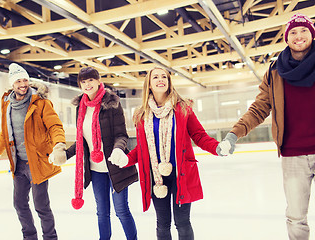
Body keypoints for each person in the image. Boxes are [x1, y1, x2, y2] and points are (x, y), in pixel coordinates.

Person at [219, 13, 315, 240]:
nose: (298, 36)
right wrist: (234, 134)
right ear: (286, 38)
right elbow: (259, 108)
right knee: (295, 216)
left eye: (304, 30)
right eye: (293, 31)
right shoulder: (275, 71)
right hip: (293, 155)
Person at [110, 67, 227, 240]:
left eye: (164, 76)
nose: (160, 79)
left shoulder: (183, 109)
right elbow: (142, 149)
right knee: (162, 224)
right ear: (149, 84)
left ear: (169, 81)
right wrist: (125, 159)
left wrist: (217, 147)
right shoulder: (141, 114)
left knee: (183, 222)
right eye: (155, 77)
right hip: (157, 177)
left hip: (182, 173)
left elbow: (199, 136)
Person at [0, 63, 67, 240]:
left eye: (25, 80)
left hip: (37, 162)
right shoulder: (7, 105)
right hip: (19, 164)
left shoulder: (41, 103)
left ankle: (50, 237)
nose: (22, 84)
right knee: (19, 204)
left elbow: (54, 125)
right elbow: (5, 134)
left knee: (41, 206)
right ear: (12, 84)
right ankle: (29, 236)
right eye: (18, 81)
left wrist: (59, 145)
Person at [65, 67, 138, 240]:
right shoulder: (80, 107)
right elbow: (82, 140)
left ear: (98, 81)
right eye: (83, 82)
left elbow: (121, 134)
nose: (87, 84)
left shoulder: (112, 103)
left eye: (90, 80)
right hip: (95, 169)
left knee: (121, 210)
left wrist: (118, 150)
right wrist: (66, 154)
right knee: (102, 212)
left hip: (116, 166)